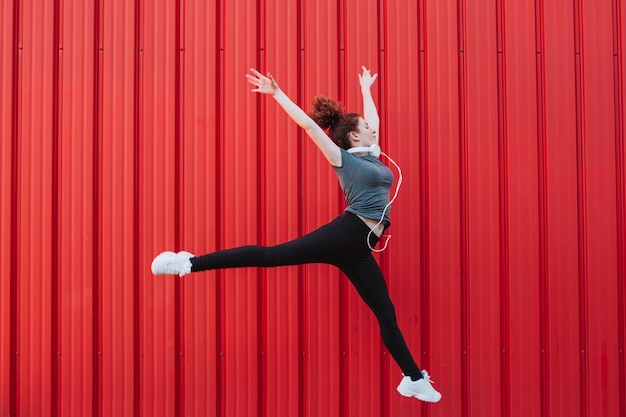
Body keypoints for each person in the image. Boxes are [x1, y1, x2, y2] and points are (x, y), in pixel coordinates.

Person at [151, 66, 442, 403]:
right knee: (273, 256)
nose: (373, 131)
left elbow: (373, 121)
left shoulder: (372, 155)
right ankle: (189, 262)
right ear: (353, 137)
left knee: (385, 312)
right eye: (366, 129)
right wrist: (277, 94)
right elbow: (307, 125)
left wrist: (365, 89)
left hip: (360, 248)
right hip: (347, 233)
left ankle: (413, 378)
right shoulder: (343, 159)